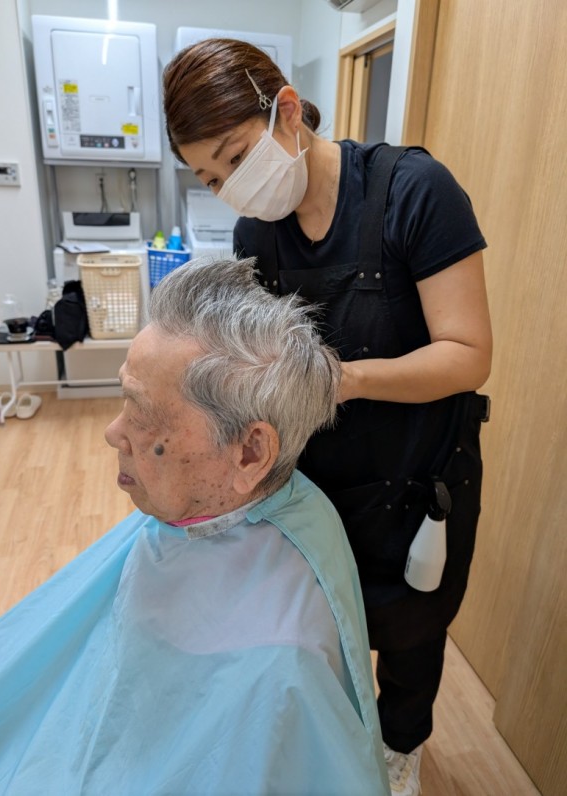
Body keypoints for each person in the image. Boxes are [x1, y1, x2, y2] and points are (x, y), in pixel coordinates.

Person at [163, 37, 493, 796]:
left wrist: (345, 379)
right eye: (211, 178)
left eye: (235, 158)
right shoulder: (257, 235)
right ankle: (332, 747)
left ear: (287, 111)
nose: (232, 189)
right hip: (316, 478)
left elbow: (468, 354)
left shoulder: (415, 191)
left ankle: (401, 747)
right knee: (317, 624)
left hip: (417, 473)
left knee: (411, 633)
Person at [0, 257, 390, 796]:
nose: (112, 432)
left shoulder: (279, 666)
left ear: (250, 452)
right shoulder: (229, 501)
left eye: (140, 412)